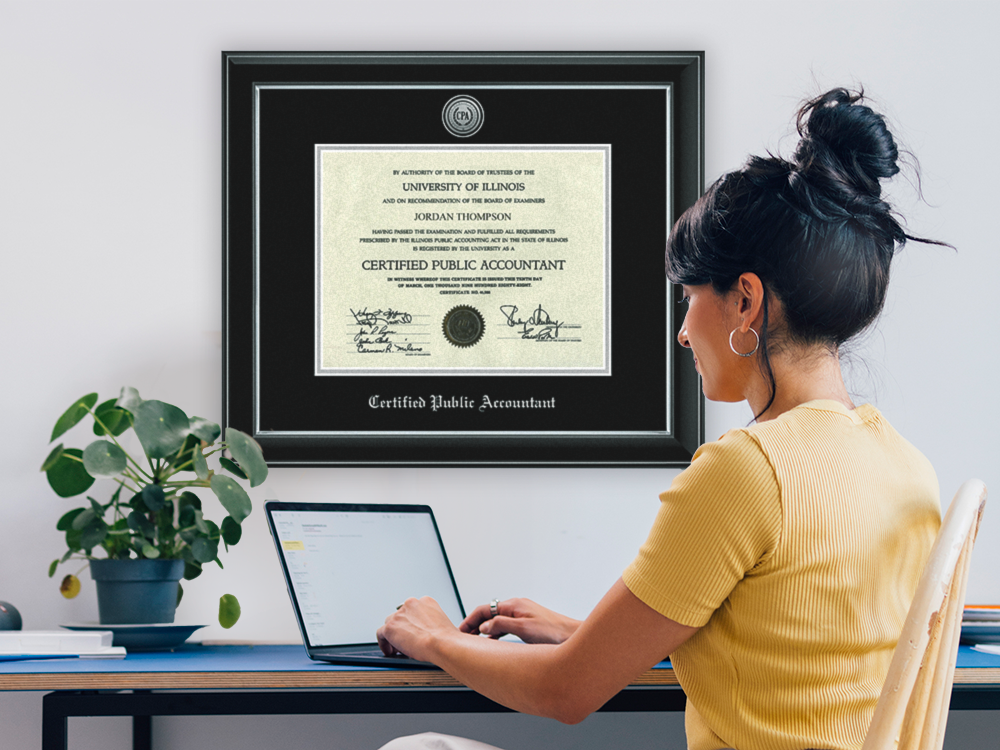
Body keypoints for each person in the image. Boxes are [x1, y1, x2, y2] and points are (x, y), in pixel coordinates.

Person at [375, 88, 944, 750]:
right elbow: (794, 654)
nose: (681, 332)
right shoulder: (904, 465)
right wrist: (587, 635)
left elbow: (564, 692)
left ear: (745, 302)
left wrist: (435, 637)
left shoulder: (747, 472)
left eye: (689, 297)